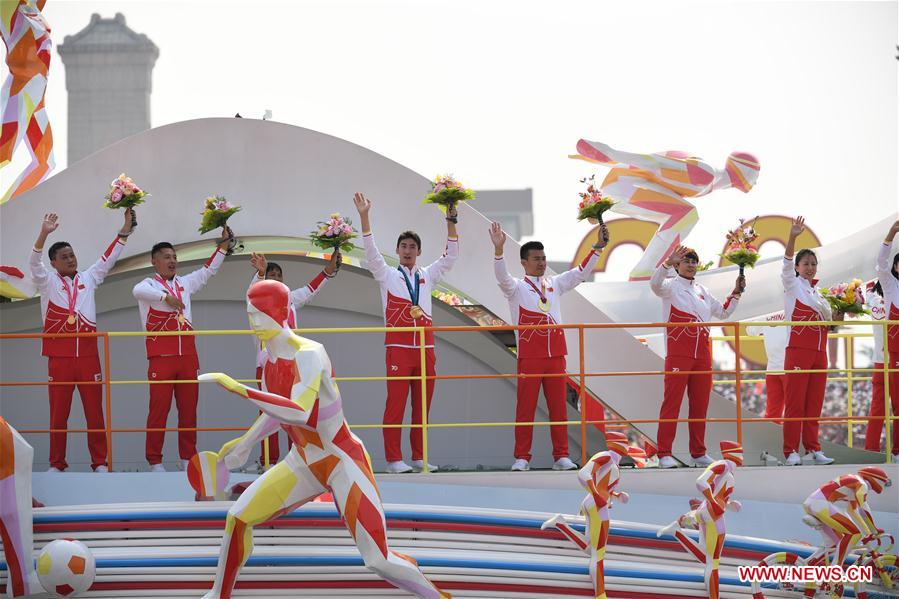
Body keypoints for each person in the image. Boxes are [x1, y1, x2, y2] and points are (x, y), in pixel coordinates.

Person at [198, 279, 451, 599]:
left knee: (379, 559)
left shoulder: (310, 354)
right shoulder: (268, 361)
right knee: (237, 517)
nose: (254, 321)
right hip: (303, 462)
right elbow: (275, 413)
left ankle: (437, 597)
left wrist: (238, 389)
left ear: (281, 312)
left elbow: (299, 412)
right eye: (249, 314)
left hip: (342, 461)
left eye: (260, 313)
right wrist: (245, 443)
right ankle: (219, 594)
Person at [353, 192, 459, 474]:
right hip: (399, 348)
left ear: (419, 251)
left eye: (412, 246)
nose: (408, 250)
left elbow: (451, 256)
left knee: (422, 408)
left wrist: (451, 222)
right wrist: (364, 217)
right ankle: (393, 460)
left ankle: (419, 457)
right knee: (396, 406)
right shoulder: (387, 275)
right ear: (397, 250)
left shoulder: (428, 275)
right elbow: (371, 252)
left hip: (426, 349)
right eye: (404, 246)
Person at [490, 221, 606, 471]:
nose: (541, 262)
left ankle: (561, 456)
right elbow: (501, 277)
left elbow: (580, 273)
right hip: (530, 356)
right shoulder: (516, 288)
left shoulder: (554, 284)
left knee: (558, 408)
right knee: (526, 409)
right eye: (536, 258)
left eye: (543, 258)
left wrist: (597, 248)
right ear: (524, 262)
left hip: (556, 355)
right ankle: (522, 457)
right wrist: (499, 251)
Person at [29, 209, 134, 472]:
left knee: (94, 413)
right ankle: (57, 464)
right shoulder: (47, 283)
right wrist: (44, 233)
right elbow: (33, 263)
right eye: (64, 257)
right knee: (58, 414)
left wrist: (124, 230)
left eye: (72, 255)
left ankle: (99, 462)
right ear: (54, 263)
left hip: (88, 357)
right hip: (59, 358)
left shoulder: (89, 277)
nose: (70, 259)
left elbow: (109, 257)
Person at [132, 226, 233, 472]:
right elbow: (137, 291)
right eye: (167, 257)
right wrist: (165, 298)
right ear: (154, 261)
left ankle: (188, 457)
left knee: (189, 410)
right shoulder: (148, 284)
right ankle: (155, 460)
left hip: (187, 356)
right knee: (159, 411)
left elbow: (208, 271)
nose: (172, 261)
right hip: (161, 357)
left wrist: (222, 247)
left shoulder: (185, 283)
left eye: (175, 257)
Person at [650, 245, 744, 468]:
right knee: (671, 404)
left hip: (702, 353)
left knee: (700, 405)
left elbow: (723, 312)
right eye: (686, 260)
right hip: (678, 353)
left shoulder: (703, 290)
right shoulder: (669, 287)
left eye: (694, 260)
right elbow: (654, 284)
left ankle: (698, 453)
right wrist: (665, 262)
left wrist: (737, 292)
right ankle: (664, 453)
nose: (691, 264)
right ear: (677, 265)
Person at [246, 251, 340, 469]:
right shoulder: (256, 301)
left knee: (294, 413)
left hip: (293, 365)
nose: (276, 278)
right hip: (267, 365)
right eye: (272, 274)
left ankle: (296, 458)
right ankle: (267, 462)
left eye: (279, 275)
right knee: (269, 414)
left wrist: (329, 270)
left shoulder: (290, 299)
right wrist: (260, 273)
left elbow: (310, 289)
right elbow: (252, 290)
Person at [541, 432, 645, 599]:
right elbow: (584, 474)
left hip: (596, 504)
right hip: (598, 507)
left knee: (592, 550)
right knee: (598, 555)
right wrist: (597, 495)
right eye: (624, 443)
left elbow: (602, 485)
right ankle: (601, 595)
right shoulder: (606, 456)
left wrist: (617, 496)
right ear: (617, 444)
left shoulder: (613, 462)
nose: (627, 447)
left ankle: (561, 524)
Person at [656, 441, 743, 599]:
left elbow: (716, 493)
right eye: (740, 452)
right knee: (713, 564)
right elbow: (701, 482)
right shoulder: (724, 465)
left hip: (708, 513)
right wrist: (714, 501)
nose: (742, 455)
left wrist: (729, 504)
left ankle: (677, 531)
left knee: (706, 559)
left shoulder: (726, 471)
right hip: (714, 516)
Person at [781, 216, 834, 466]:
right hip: (798, 351)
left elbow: (829, 325)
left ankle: (813, 449)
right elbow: (785, 263)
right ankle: (790, 450)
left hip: (819, 353)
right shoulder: (792, 285)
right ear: (798, 267)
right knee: (795, 405)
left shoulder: (818, 294)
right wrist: (792, 237)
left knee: (814, 405)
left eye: (813, 263)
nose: (810, 267)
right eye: (806, 263)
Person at [802, 466, 892, 570]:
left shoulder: (854, 484)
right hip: (820, 504)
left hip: (813, 503)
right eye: (883, 482)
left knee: (835, 544)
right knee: (854, 533)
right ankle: (835, 569)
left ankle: (806, 565)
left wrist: (868, 532)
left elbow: (853, 512)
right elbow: (863, 509)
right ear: (876, 479)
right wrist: (874, 530)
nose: (883, 485)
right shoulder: (862, 484)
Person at [870, 220, 899, 456]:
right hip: (894, 353)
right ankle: (893, 450)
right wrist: (890, 234)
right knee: (895, 405)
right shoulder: (890, 286)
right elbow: (880, 263)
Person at [746, 313, 789, 423]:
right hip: (788, 368)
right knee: (793, 410)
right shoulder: (790, 306)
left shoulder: (766, 312)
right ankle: (797, 438)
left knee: (773, 412)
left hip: (775, 368)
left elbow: (750, 331)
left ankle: (772, 437)